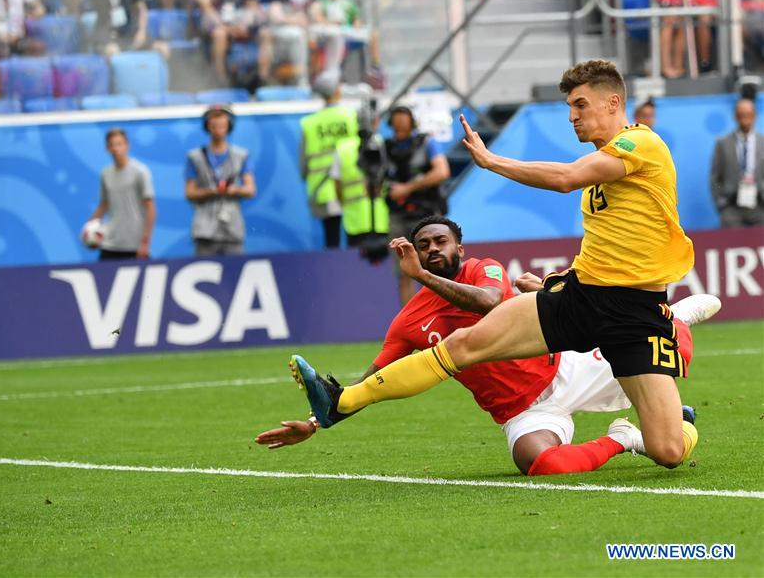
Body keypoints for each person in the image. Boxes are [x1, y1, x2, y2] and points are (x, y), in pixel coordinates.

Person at [294, 60, 700, 471]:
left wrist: (491, 161)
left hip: (632, 314)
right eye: (569, 107)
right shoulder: (604, 171)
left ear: (614, 102)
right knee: (461, 346)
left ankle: (676, 327)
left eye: (580, 104)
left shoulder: (641, 145)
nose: (573, 116)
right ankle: (339, 401)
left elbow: (565, 178)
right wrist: (555, 282)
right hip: (581, 299)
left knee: (668, 450)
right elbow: (607, 247)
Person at [260, 217, 719, 476]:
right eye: (424, 246)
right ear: (415, 252)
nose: (433, 249)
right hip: (521, 410)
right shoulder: (407, 321)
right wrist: (318, 421)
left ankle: (677, 314)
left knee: (670, 357)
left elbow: (489, 302)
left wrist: (421, 277)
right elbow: (375, 379)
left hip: (567, 367)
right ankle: (626, 437)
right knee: (541, 465)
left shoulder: (484, 270)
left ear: (460, 246)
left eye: (441, 241)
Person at [384, 104, 450, 304]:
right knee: (405, 272)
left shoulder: (426, 143)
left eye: (404, 119)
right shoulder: (385, 148)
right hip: (398, 215)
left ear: (412, 121)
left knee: (436, 266)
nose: (400, 124)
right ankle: (412, 321)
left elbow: (442, 172)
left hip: (426, 214)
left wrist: (408, 188)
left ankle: (443, 313)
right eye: (396, 120)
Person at [185, 105, 256, 255]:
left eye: (222, 125)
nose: (218, 130)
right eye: (214, 126)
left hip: (232, 227)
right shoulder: (195, 157)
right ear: (207, 127)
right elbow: (190, 192)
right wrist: (211, 192)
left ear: (229, 126)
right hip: (204, 228)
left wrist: (234, 190)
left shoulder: (241, 155)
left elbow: (250, 189)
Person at [298, 70, 358, 248]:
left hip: (322, 189)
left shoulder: (309, 123)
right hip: (351, 187)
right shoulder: (351, 116)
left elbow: (303, 165)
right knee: (354, 238)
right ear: (337, 91)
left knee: (331, 239)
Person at [87, 128, 156, 261]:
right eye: (112, 145)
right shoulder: (105, 174)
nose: (116, 149)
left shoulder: (140, 172)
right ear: (107, 149)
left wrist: (145, 242)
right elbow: (104, 204)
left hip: (134, 245)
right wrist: (91, 227)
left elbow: (150, 207)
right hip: (110, 244)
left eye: (119, 144)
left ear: (127, 145)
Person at [710, 98, 764, 228]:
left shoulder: (762, 142)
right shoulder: (722, 143)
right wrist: (722, 204)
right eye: (741, 114)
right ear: (735, 116)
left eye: (748, 114)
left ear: (755, 116)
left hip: (759, 206)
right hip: (732, 208)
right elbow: (715, 177)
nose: (745, 118)